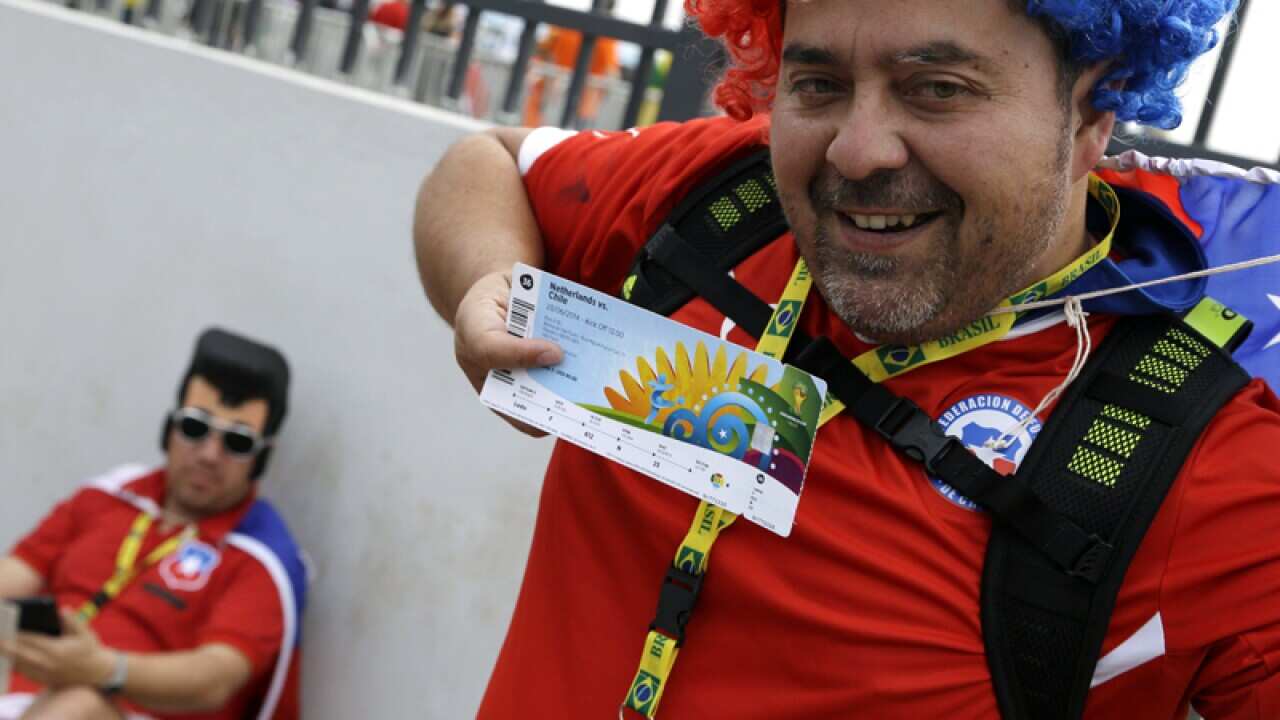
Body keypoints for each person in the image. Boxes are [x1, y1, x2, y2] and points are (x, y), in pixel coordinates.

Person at [413, 0, 1280, 717]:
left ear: (1094, 110)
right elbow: (485, 164)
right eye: (819, 85)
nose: (857, 151)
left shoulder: (1209, 466)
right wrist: (486, 282)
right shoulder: (721, 197)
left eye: (937, 89)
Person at [0, 328, 306, 720]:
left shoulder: (264, 556)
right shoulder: (109, 494)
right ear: (170, 427)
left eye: (237, 442)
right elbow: (16, 573)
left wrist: (105, 669)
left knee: (81, 705)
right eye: (196, 427)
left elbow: (215, 678)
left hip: (125, 710)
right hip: (28, 697)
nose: (210, 455)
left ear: (262, 459)